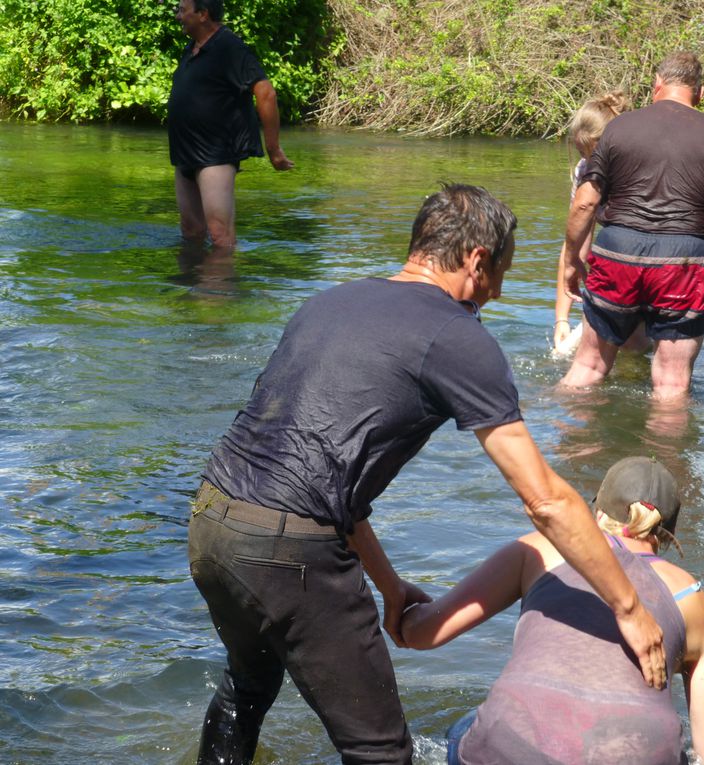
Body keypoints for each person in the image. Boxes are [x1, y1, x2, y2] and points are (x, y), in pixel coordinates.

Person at [188, 184, 669, 765]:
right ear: (476, 261)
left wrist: (388, 586)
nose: (495, 293)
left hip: (212, 522)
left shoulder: (331, 302)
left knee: (247, 686)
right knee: (381, 752)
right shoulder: (459, 336)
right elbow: (545, 500)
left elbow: (319, 475)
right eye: (501, 275)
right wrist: (630, 608)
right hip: (289, 551)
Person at [402, 456, 704, 765]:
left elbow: (423, 633)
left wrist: (395, 599)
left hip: (509, 751)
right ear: (666, 538)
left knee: (465, 726)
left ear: (599, 515)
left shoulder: (542, 547)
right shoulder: (693, 597)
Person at [560, 51, 704, 399]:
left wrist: (571, 264)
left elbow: (585, 202)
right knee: (672, 383)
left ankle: (565, 448)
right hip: (684, 262)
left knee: (587, 368)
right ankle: (665, 455)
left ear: (656, 86)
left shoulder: (619, 127)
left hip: (617, 252)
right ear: (700, 94)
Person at [167, 0, 294, 248]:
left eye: (183, 10)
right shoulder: (191, 47)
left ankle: (221, 286)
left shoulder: (230, 47)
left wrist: (274, 149)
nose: (178, 16)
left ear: (203, 14)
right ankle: (193, 284)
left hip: (216, 153)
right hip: (184, 152)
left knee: (219, 234)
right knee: (191, 231)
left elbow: (266, 92)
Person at [553, 91, 630, 355]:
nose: (589, 162)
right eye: (581, 152)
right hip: (617, 264)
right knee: (563, 353)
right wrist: (561, 319)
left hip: (640, 263)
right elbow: (574, 244)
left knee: (634, 348)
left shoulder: (637, 167)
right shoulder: (584, 170)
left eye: (594, 153)